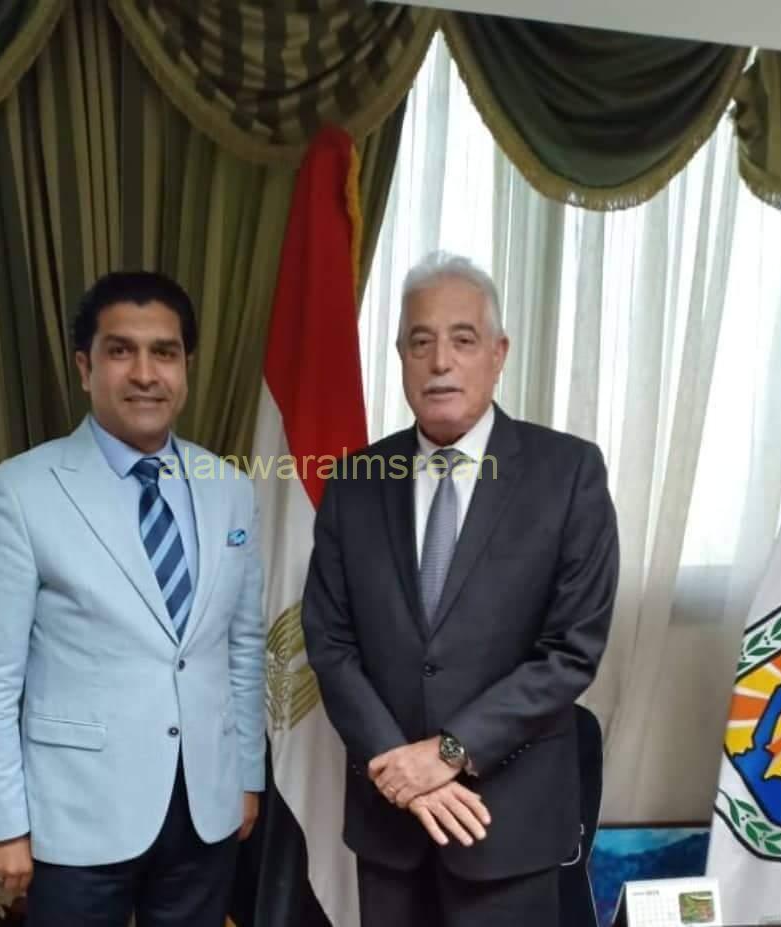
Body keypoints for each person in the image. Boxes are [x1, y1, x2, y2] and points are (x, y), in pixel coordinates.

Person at [302, 251, 619, 926]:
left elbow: (571, 650)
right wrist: (401, 769)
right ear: (401, 356)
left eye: (463, 339)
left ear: (498, 353)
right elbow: (330, 643)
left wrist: (447, 753)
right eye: (420, 342)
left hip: (507, 826)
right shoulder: (354, 482)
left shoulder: (568, 474)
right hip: (390, 824)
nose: (440, 361)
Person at [0, 271, 265, 927]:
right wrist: (2, 823)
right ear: (84, 366)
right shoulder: (21, 492)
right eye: (121, 350)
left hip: (205, 809)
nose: (145, 373)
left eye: (164, 352)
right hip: (77, 817)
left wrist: (246, 777)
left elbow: (242, 646)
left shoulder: (231, 489)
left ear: (186, 366)